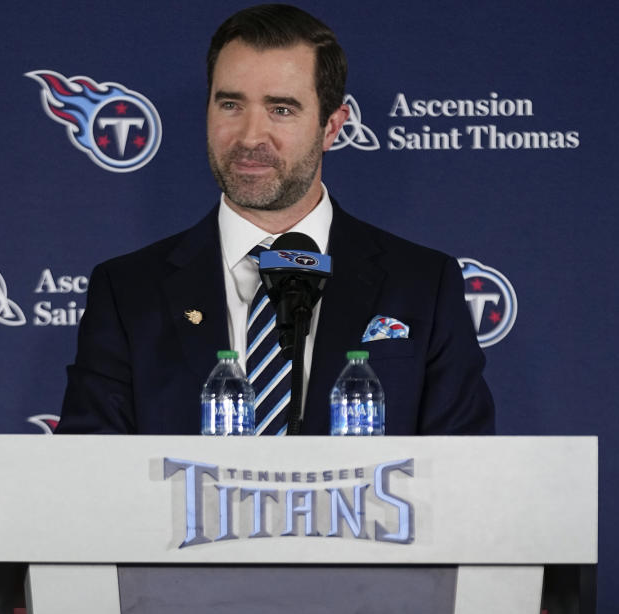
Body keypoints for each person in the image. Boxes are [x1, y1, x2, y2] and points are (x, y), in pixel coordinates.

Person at [57, 4, 495, 438]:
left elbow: (464, 474)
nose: (250, 137)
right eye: (231, 104)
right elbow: (89, 478)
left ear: (332, 126)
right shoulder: (127, 290)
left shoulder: (423, 283)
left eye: (281, 109)